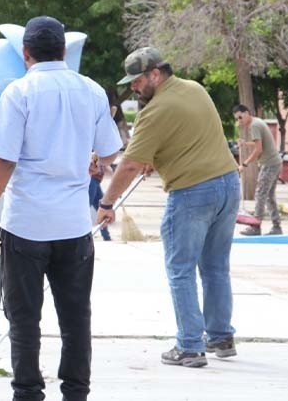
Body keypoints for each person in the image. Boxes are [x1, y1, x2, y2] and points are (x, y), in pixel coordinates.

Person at [0, 16, 122, 401]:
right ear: (63, 51)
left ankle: (28, 394)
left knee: (24, 320)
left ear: (26, 53)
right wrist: (90, 161)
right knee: (75, 319)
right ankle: (75, 394)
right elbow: (108, 152)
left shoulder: (18, 92)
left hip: (25, 226)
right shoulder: (91, 91)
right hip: (73, 227)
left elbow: (3, 162)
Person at [96, 47, 239, 368]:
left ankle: (189, 346)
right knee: (216, 267)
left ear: (155, 75)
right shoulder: (195, 89)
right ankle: (220, 337)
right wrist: (157, 161)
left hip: (192, 192)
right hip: (228, 185)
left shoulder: (155, 110)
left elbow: (130, 164)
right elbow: (189, 138)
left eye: (136, 81)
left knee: (181, 269)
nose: (133, 87)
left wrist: (107, 203)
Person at [233, 104, 283, 236]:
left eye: (240, 117)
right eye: (237, 119)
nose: (239, 121)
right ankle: (276, 227)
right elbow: (259, 145)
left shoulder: (254, 126)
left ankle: (255, 227)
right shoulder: (258, 122)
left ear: (247, 113)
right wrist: (245, 144)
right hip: (275, 163)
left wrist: (244, 164)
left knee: (260, 194)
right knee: (269, 196)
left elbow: (259, 150)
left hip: (269, 164)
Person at [87, 153, 111, 241]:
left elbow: (108, 168)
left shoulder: (103, 157)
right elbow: (94, 165)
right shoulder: (95, 155)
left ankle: (106, 236)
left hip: (96, 183)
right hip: (91, 182)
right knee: (87, 207)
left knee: (101, 208)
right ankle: (85, 234)